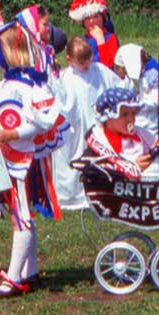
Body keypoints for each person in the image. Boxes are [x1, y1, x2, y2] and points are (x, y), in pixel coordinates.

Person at [0, 2, 68, 298]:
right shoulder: (21, 83)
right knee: (24, 211)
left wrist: (11, 133)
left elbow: (41, 121)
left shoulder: (25, 86)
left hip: (22, 158)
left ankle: (13, 277)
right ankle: (28, 271)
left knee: (21, 215)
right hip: (23, 157)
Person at [50, 37, 122, 211]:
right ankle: (71, 196)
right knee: (73, 157)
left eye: (88, 61)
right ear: (69, 59)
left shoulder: (99, 70)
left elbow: (116, 85)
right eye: (82, 63)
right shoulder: (65, 78)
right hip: (75, 126)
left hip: (95, 123)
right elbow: (58, 101)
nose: (86, 66)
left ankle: (101, 191)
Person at [114, 43, 159, 144]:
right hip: (147, 120)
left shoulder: (153, 72)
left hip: (157, 125)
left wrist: (137, 104)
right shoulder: (144, 69)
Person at [67, 0, 119, 69]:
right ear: (83, 21)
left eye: (96, 16)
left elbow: (109, 66)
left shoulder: (111, 38)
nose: (92, 21)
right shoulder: (82, 42)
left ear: (103, 17)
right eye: (88, 18)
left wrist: (101, 41)